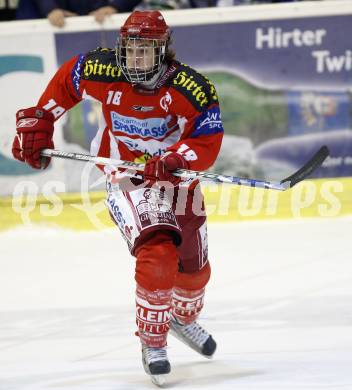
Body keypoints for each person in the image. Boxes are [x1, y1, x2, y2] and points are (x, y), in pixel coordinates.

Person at [12, 10, 223, 385]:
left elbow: (207, 137)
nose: (133, 59)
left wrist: (175, 158)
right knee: (158, 252)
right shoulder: (102, 68)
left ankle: (182, 318)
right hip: (126, 173)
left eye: (144, 50)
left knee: (194, 271)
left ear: (162, 51)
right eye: (128, 49)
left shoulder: (192, 87)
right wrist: (42, 118)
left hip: (175, 178)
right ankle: (153, 341)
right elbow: (69, 78)